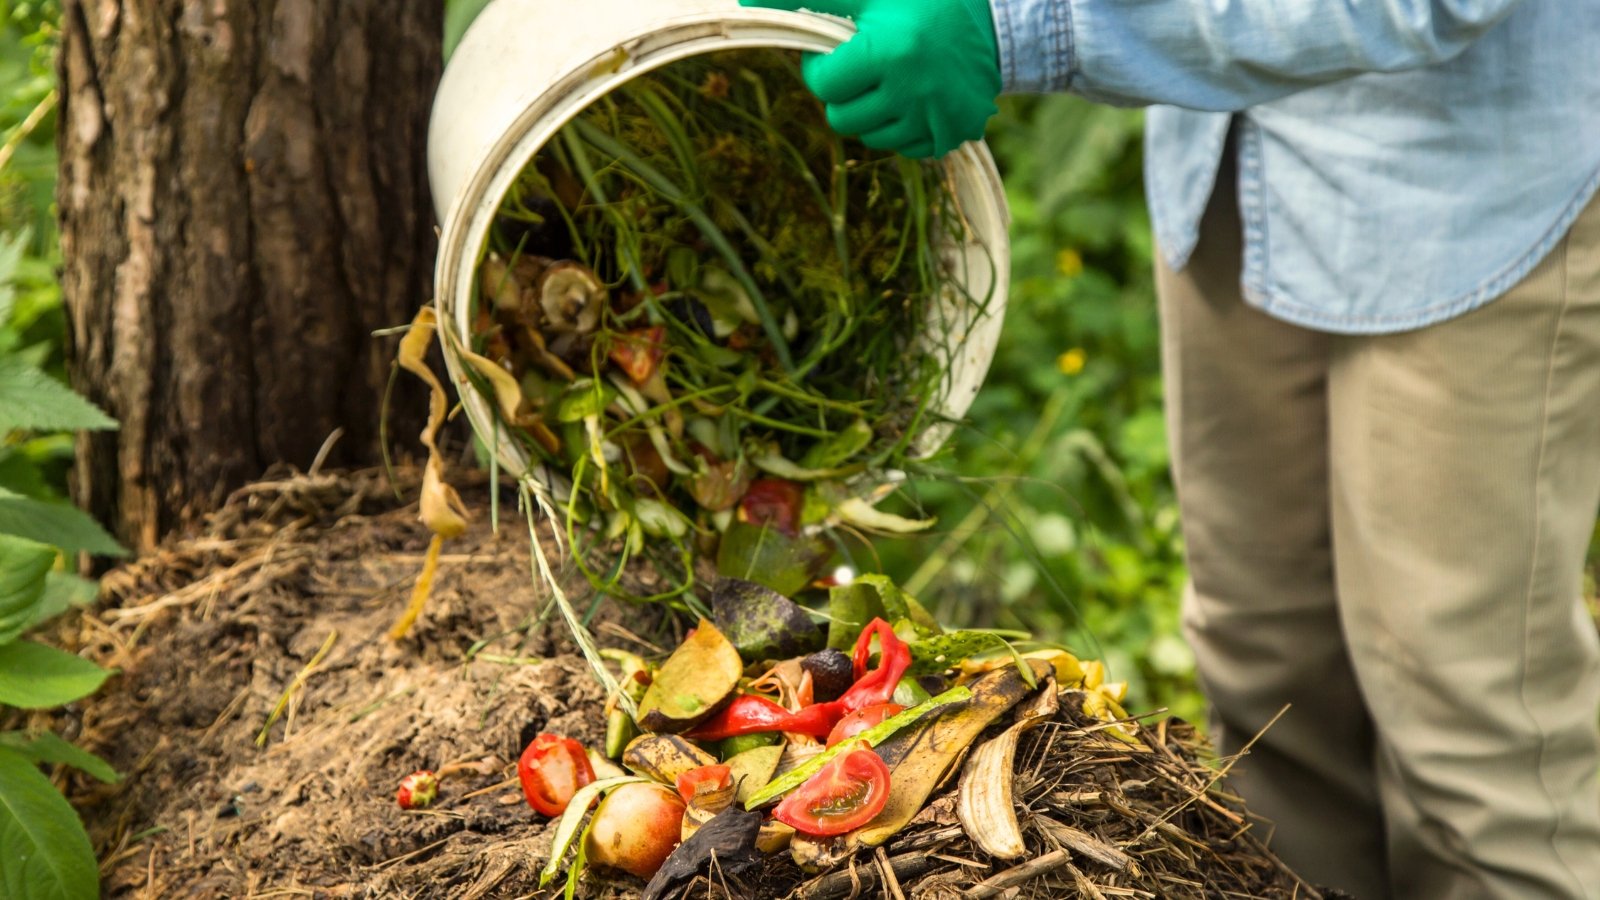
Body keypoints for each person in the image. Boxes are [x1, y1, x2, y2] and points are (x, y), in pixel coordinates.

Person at [734, 0, 1600, 897]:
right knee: (1268, 673)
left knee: (1467, 722)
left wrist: (1021, 26)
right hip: (1227, 151)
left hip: (1468, 196)